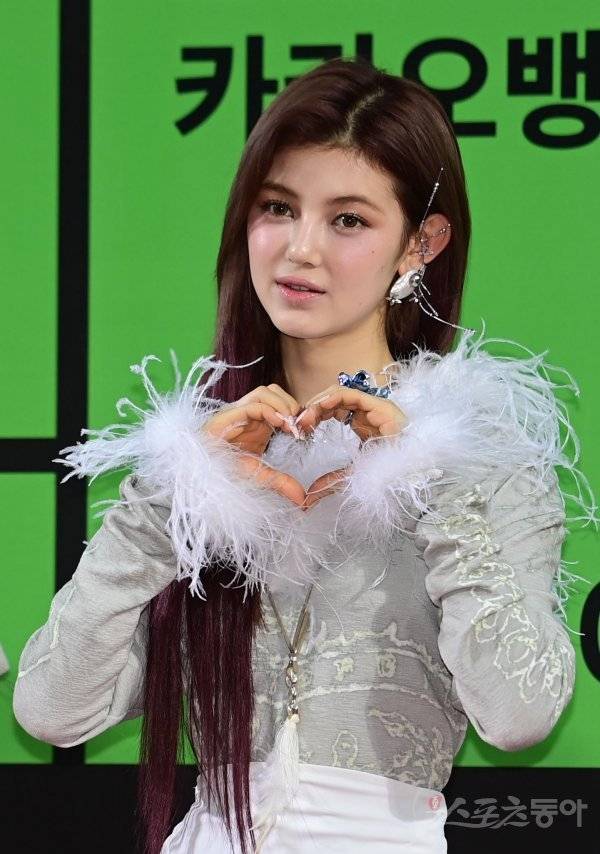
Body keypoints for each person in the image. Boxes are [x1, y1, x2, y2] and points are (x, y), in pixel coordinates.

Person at [12, 57, 598, 854]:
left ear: (420, 243)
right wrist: (168, 499)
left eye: (348, 220)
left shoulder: (482, 459)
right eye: (278, 208)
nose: (299, 250)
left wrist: (426, 482)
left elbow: (521, 714)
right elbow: (52, 711)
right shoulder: (207, 458)